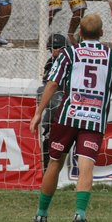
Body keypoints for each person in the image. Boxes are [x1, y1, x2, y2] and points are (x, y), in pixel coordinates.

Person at [31, 13, 112, 222]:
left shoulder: (69, 53)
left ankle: (41, 214)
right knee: (86, 165)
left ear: (79, 33)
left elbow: (52, 84)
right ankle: (79, 214)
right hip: (94, 119)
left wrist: (38, 112)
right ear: (101, 33)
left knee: (55, 163)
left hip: (67, 116)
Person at [35, 33, 68, 169]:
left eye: (60, 47)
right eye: (54, 47)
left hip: (67, 100)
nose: (56, 50)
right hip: (54, 102)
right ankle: (46, 169)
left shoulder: (69, 61)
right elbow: (47, 85)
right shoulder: (50, 63)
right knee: (48, 134)